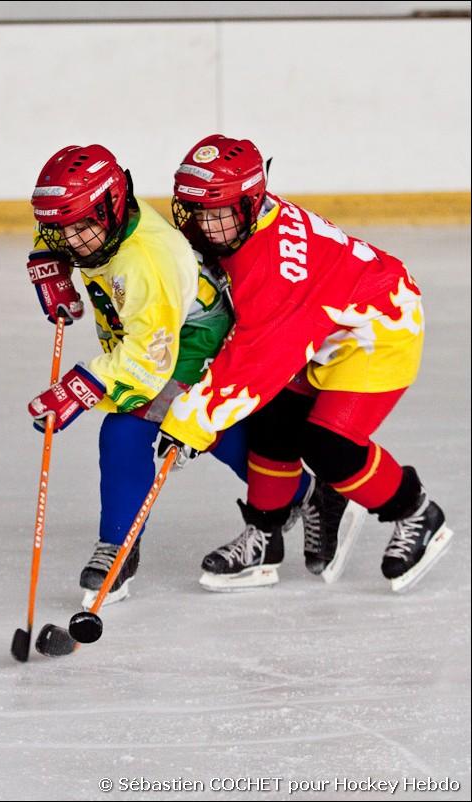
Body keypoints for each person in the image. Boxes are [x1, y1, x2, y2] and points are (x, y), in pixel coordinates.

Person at [25, 143, 345, 607]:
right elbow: (56, 227)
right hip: (158, 333)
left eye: (80, 228)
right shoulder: (95, 224)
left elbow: (144, 363)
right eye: (61, 231)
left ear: (113, 206)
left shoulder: (146, 262)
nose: (71, 242)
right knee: (209, 429)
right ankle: (305, 493)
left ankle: (117, 548)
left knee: (129, 428)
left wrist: (82, 388)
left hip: (193, 339)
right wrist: (46, 260)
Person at [159, 134, 453, 593]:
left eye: (216, 214)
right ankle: (265, 534)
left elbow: (253, 362)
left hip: (379, 326)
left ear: (251, 203)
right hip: (324, 324)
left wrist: (192, 423)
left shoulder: (274, 268)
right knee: (272, 424)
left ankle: (417, 513)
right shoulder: (247, 219)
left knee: (329, 445)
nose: (204, 225)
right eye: (194, 210)